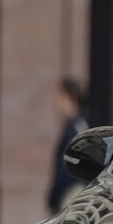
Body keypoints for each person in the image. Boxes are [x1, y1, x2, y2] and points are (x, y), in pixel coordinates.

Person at [46, 78, 89, 214]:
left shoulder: (78, 128)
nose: (57, 104)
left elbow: (68, 167)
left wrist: (56, 196)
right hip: (65, 197)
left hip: (71, 197)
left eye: (60, 98)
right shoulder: (71, 127)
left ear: (71, 98)